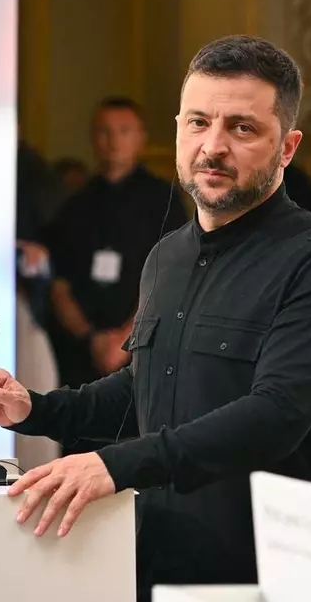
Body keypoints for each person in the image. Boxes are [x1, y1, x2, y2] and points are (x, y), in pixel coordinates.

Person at [0, 35, 311, 599]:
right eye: (199, 123)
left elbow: (275, 416)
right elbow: (142, 390)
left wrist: (114, 465)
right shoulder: (167, 257)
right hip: (152, 563)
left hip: (263, 578)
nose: (213, 146)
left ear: (287, 147)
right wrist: (35, 408)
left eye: (242, 128)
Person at [38, 97, 189, 454]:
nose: (113, 140)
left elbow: (170, 276)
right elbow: (59, 285)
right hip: (82, 354)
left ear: (140, 137)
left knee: (134, 455)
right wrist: (90, 337)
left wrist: (125, 339)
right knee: (78, 448)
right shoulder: (76, 203)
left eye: (123, 131)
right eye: (104, 132)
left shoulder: (163, 200)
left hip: (141, 351)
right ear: (93, 138)